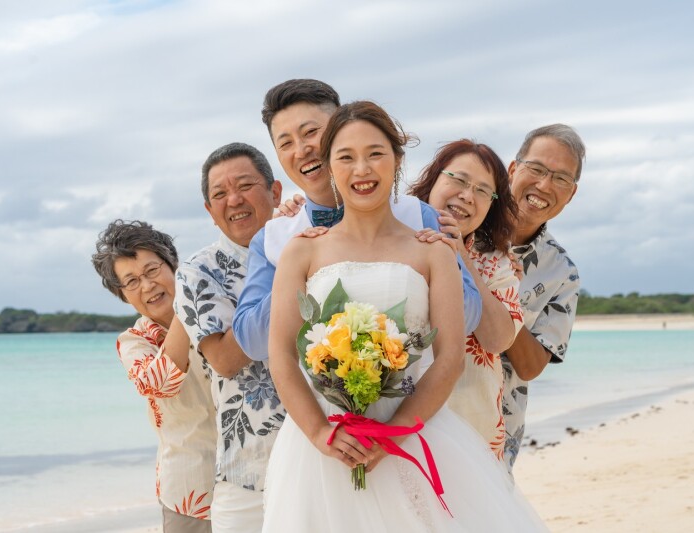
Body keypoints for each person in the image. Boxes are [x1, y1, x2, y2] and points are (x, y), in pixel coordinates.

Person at [262, 101, 547, 532]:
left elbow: (448, 358)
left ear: (396, 160)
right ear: (329, 167)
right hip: (323, 445)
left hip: (414, 432)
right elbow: (281, 355)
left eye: (375, 153)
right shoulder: (302, 250)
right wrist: (320, 433)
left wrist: (392, 434)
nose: (362, 169)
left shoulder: (432, 251)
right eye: (346, 157)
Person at [232, 79, 481, 362]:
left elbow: (469, 317)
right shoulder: (275, 239)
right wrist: (298, 273)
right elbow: (251, 343)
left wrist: (434, 261)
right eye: (286, 143)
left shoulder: (419, 216)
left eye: (311, 132)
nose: (301, 150)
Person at [172, 143, 284, 533]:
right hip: (250, 465)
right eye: (219, 194)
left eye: (245, 185)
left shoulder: (317, 243)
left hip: (330, 452)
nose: (233, 199)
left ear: (276, 192)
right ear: (209, 211)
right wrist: (290, 274)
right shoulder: (197, 272)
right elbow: (225, 359)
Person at [91, 220, 215, 532]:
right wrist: (187, 309)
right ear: (122, 295)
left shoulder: (217, 310)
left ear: (173, 265)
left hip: (257, 476)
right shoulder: (134, 341)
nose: (147, 286)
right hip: (192, 491)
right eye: (131, 281)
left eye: (151, 271)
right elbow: (160, 384)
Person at [408, 140, 524, 460]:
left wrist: (459, 252)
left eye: (483, 191)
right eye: (458, 180)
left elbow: (498, 338)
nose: (467, 195)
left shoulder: (495, 262)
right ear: (433, 180)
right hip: (399, 425)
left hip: (472, 431)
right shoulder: (389, 235)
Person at [501, 124, 585, 471]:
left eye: (561, 179)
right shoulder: (460, 226)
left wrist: (498, 296)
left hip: (495, 428)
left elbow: (531, 365)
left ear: (571, 195)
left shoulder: (562, 273)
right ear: (512, 169)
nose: (544, 185)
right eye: (536, 169)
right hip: (417, 417)